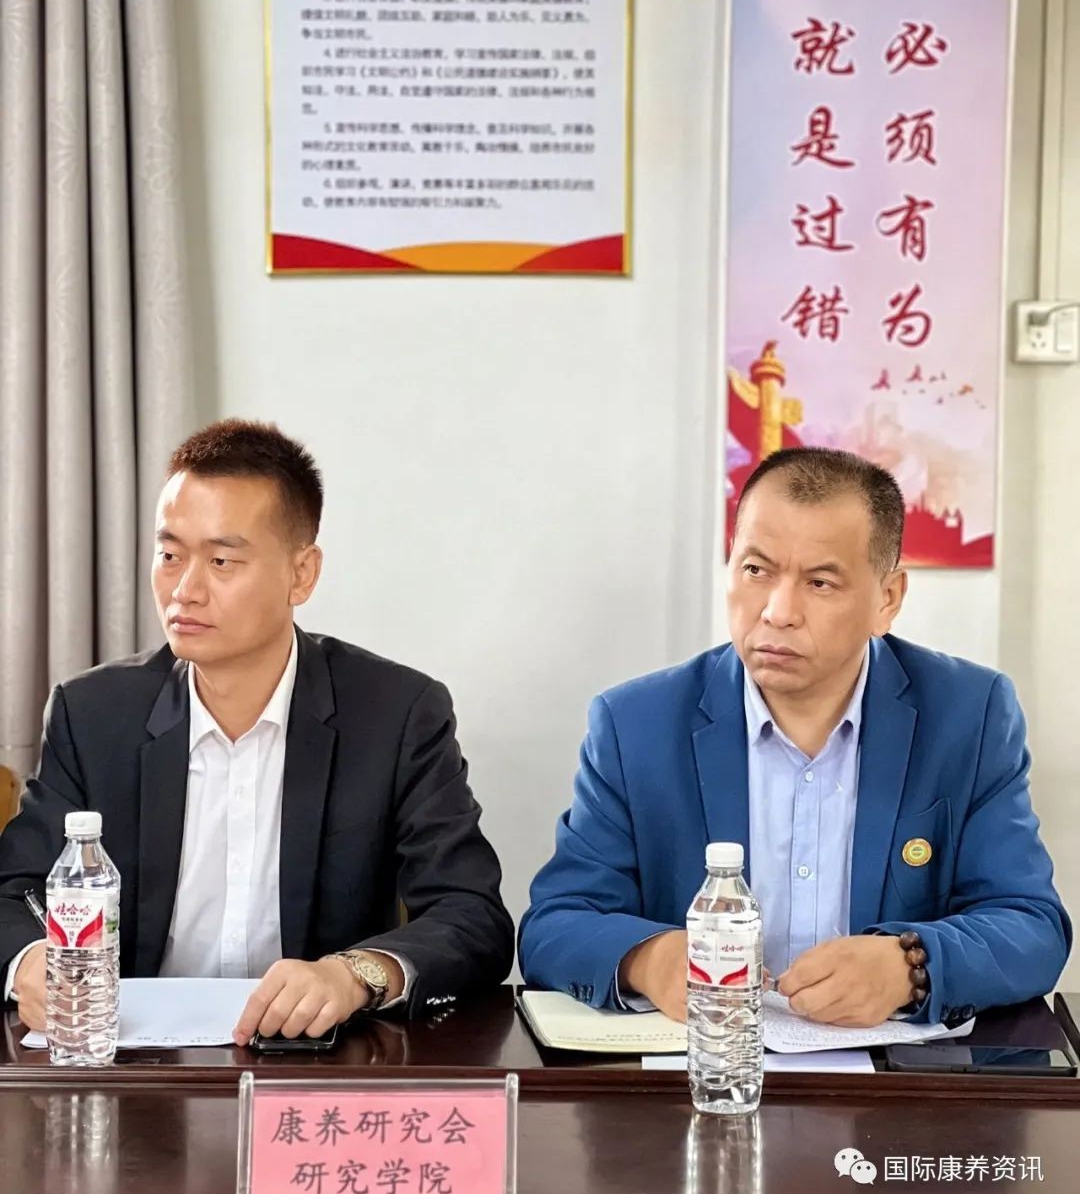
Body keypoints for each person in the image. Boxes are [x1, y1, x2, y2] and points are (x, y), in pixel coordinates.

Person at [520, 448, 1070, 1028]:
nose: (778, 612)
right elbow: (556, 924)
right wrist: (650, 960)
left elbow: (1031, 925)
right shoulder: (636, 724)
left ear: (887, 600)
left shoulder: (967, 716)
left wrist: (910, 967)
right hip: (704, 1061)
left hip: (890, 1072)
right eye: (756, 571)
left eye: (820, 582)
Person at [0, 419, 513, 1040]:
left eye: (221, 561)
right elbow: (14, 893)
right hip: (134, 1058)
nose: (185, 590)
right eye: (170, 555)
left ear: (302, 574)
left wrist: (355, 974)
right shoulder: (93, 713)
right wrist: (30, 961)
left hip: (314, 1061)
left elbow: (471, 914)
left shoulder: (396, 713)